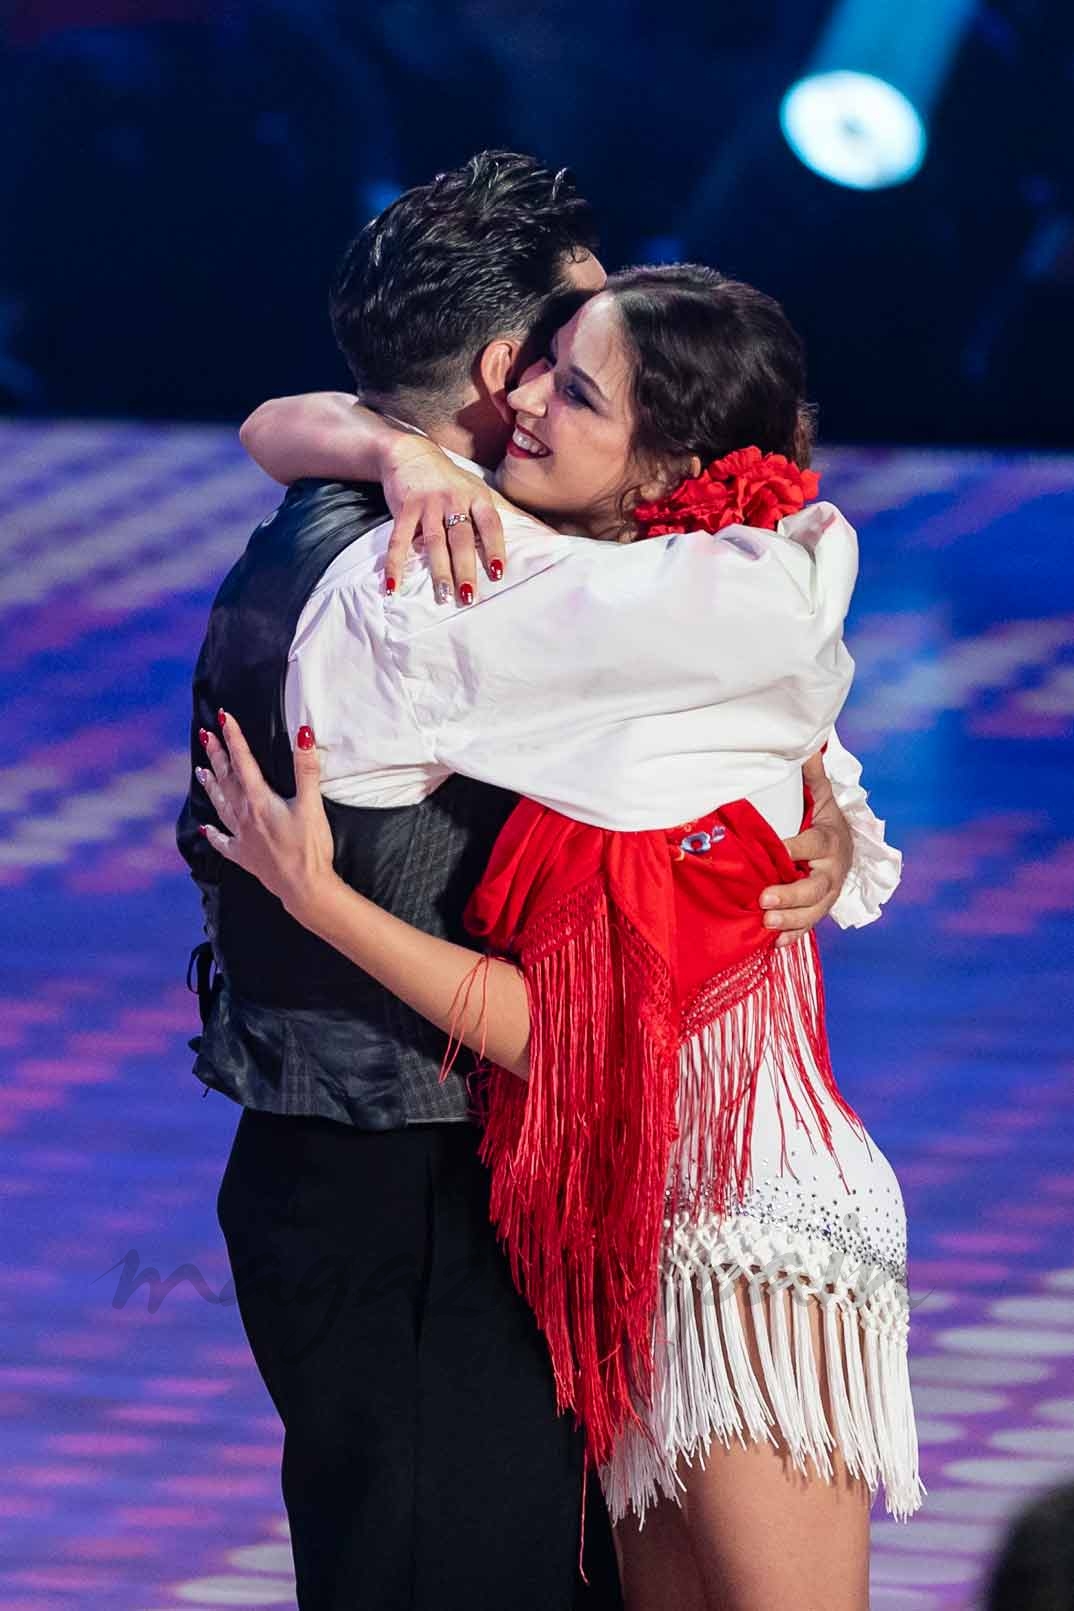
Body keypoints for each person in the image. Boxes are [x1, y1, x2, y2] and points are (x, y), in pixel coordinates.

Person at [177, 152, 868, 1611]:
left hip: (617, 1191)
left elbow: (277, 425)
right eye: (566, 351)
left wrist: (812, 802)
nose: (567, 381)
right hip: (438, 1186)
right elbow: (571, 1018)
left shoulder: (546, 565)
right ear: (504, 370)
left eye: (590, 373)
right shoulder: (437, 580)